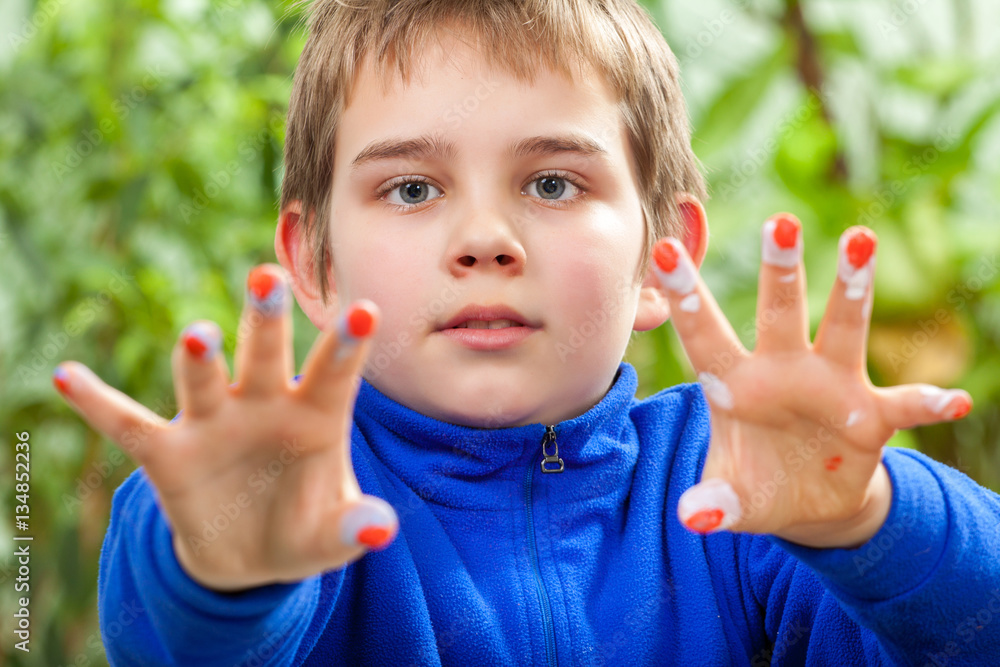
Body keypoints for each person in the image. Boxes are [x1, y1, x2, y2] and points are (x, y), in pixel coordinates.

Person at [53, 0, 1000, 664]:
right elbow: (174, 638)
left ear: (662, 252)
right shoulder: (302, 491)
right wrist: (218, 554)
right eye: (411, 188)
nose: (484, 240)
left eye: (553, 182)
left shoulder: (737, 493)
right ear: (314, 263)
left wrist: (868, 518)